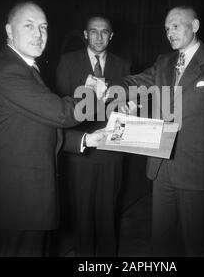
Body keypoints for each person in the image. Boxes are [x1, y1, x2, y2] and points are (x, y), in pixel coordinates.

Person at [105, 5, 204, 256]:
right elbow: (135, 81)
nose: (169, 32)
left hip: (200, 170)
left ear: (195, 26)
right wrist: (110, 86)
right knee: (161, 243)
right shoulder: (164, 61)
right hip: (162, 170)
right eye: (166, 28)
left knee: (197, 245)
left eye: (176, 26)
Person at [0, 1, 105, 257]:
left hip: (25, 199)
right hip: (15, 202)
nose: (38, 34)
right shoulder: (9, 71)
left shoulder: (24, 68)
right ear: (10, 30)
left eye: (43, 27)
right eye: (29, 25)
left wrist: (87, 140)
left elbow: (39, 126)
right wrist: (91, 93)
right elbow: (62, 113)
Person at [56, 15, 131, 256]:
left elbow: (126, 103)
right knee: (82, 216)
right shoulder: (67, 62)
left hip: (112, 152)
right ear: (85, 35)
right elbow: (60, 108)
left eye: (105, 31)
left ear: (112, 35)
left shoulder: (123, 64)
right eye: (94, 31)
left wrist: (129, 107)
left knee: (108, 215)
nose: (99, 36)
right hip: (81, 152)